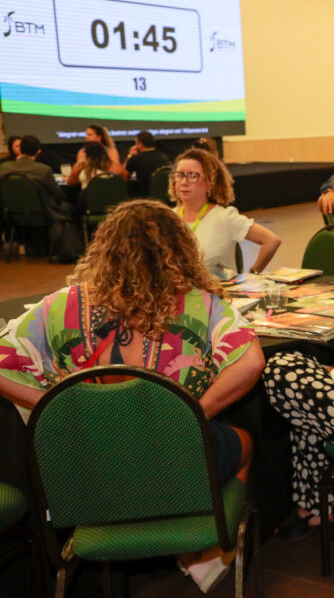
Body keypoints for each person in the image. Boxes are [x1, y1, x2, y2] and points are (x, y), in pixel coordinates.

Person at [0, 199, 265, 592]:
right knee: (244, 441)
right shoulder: (201, 306)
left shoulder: (60, 306)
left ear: (104, 248)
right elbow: (252, 363)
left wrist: (54, 410)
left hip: (89, 469)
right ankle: (205, 551)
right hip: (176, 463)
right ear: (180, 248)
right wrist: (191, 417)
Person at [169, 148, 281, 277]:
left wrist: (252, 276)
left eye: (193, 176)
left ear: (210, 183)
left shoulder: (224, 217)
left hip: (216, 293)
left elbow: (272, 241)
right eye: (180, 175)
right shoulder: (166, 218)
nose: (184, 182)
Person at [125, 130, 171, 196]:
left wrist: (129, 155)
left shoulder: (135, 158)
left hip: (143, 196)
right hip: (163, 195)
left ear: (140, 144)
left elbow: (124, 177)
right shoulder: (163, 157)